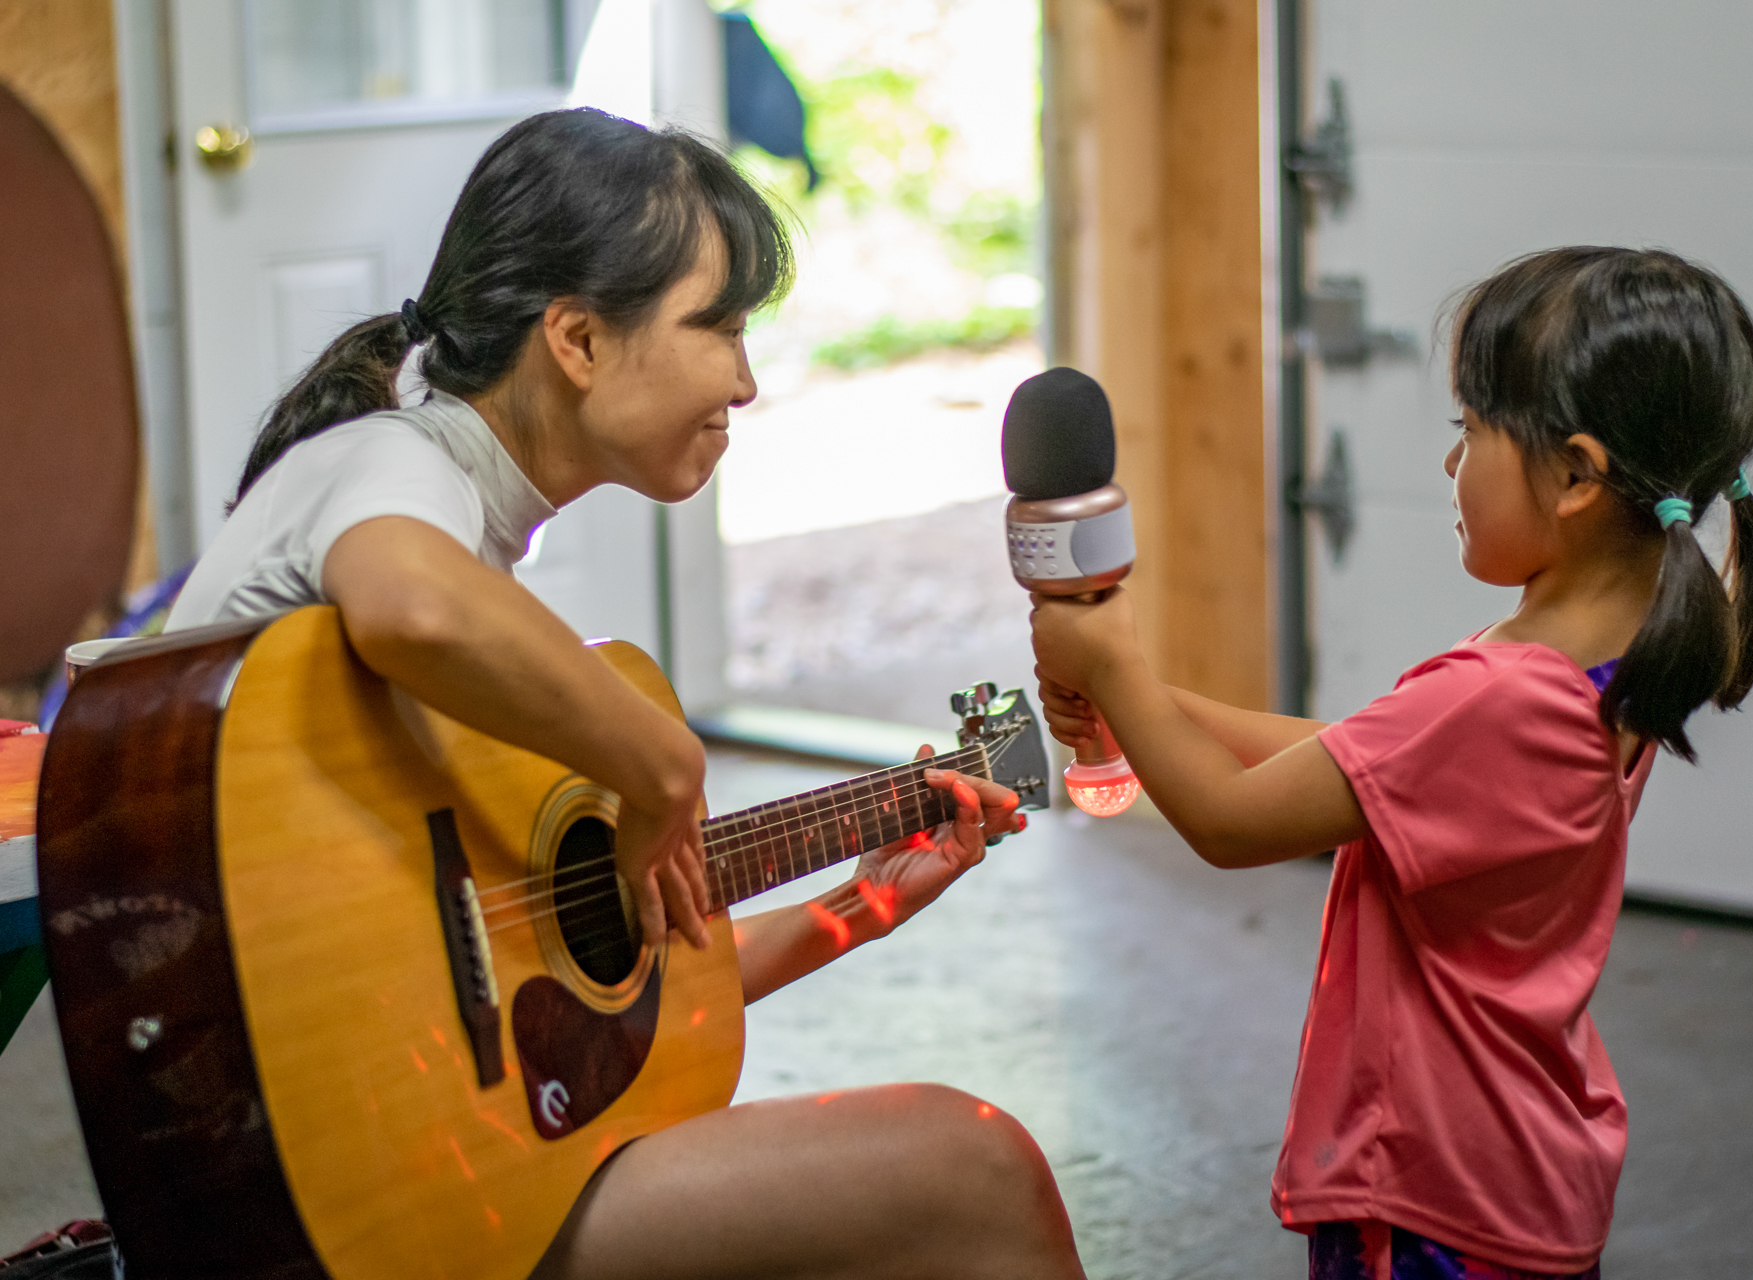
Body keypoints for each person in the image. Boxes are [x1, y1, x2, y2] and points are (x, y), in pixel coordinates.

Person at [166, 109, 1086, 1280]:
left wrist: (856, 905)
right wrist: (666, 763)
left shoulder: (464, 534)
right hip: (297, 1191)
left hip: (422, 1157)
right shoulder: (387, 464)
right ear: (578, 339)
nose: (746, 384)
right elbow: (412, 603)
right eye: (723, 327)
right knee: (977, 1164)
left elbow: (584, 986)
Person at [1030, 247, 1753, 1279]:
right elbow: (1358, 766)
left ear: (1575, 472)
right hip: (1517, 1161)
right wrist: (1153, 709)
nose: (1450, 466)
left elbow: (1229, 820)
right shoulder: (1602, 660)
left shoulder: (1502, 691)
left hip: (1435, 1193)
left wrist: (1113, 661)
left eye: (1470, 430)